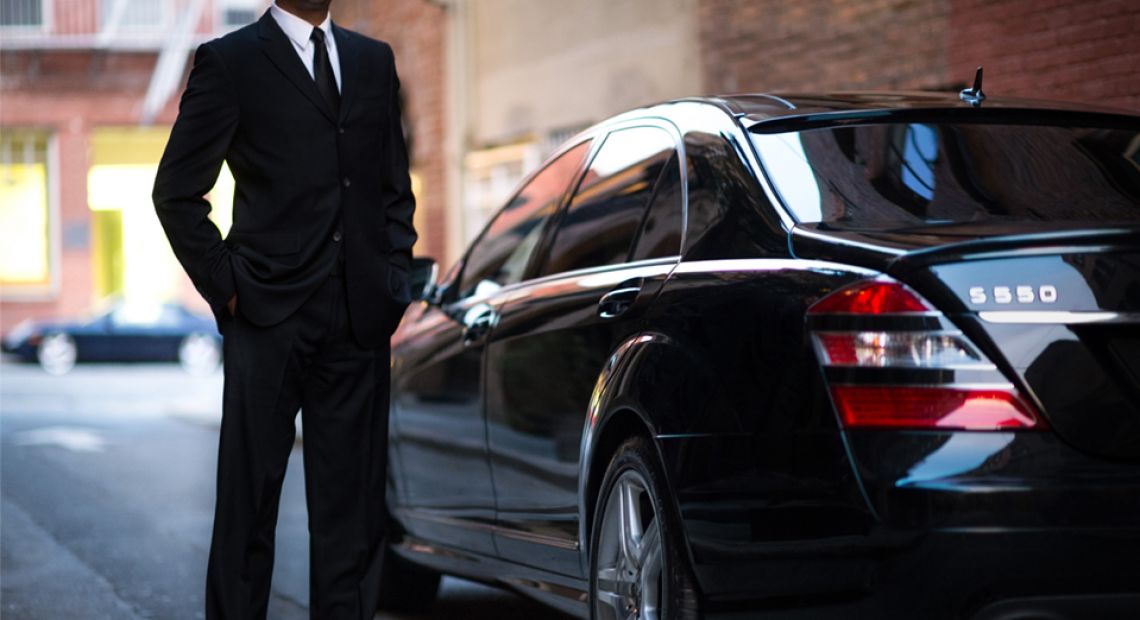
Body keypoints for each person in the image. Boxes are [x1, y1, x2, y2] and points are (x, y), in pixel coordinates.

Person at [152, 0, 416, 616]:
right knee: (247, 512)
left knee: (351, 521)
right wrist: (230, 287)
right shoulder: (231, 61)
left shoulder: (373, 61)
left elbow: (392, 190)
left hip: (359, 320)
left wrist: (392, 279)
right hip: (268, 320)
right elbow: (176, 192)